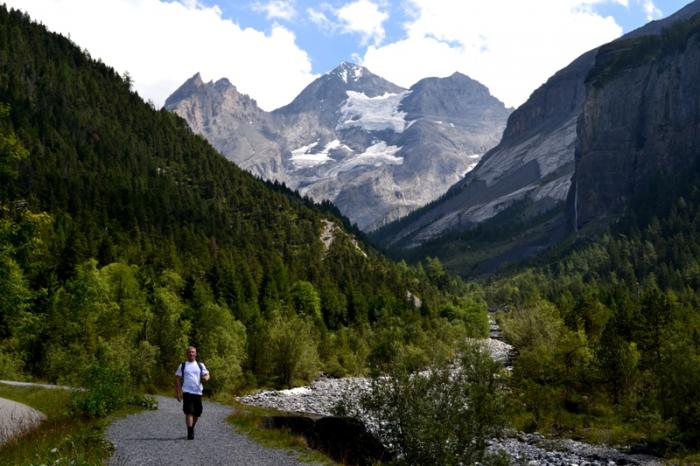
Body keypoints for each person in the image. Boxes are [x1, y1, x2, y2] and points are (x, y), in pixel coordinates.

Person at [175, 346, 210, 440]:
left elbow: (207, 374)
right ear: (187, 354)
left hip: (198, 392)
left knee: (197, 413)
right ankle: (190, 433)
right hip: (187, 392)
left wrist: (206, 378)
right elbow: (177, 380)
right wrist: (178, 393)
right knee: (189, 411)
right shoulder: (183, 365)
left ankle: (192, 427)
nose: (191, 353)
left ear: (196, 354)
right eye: (189, 352)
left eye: (193, 352)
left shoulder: (200, 365)